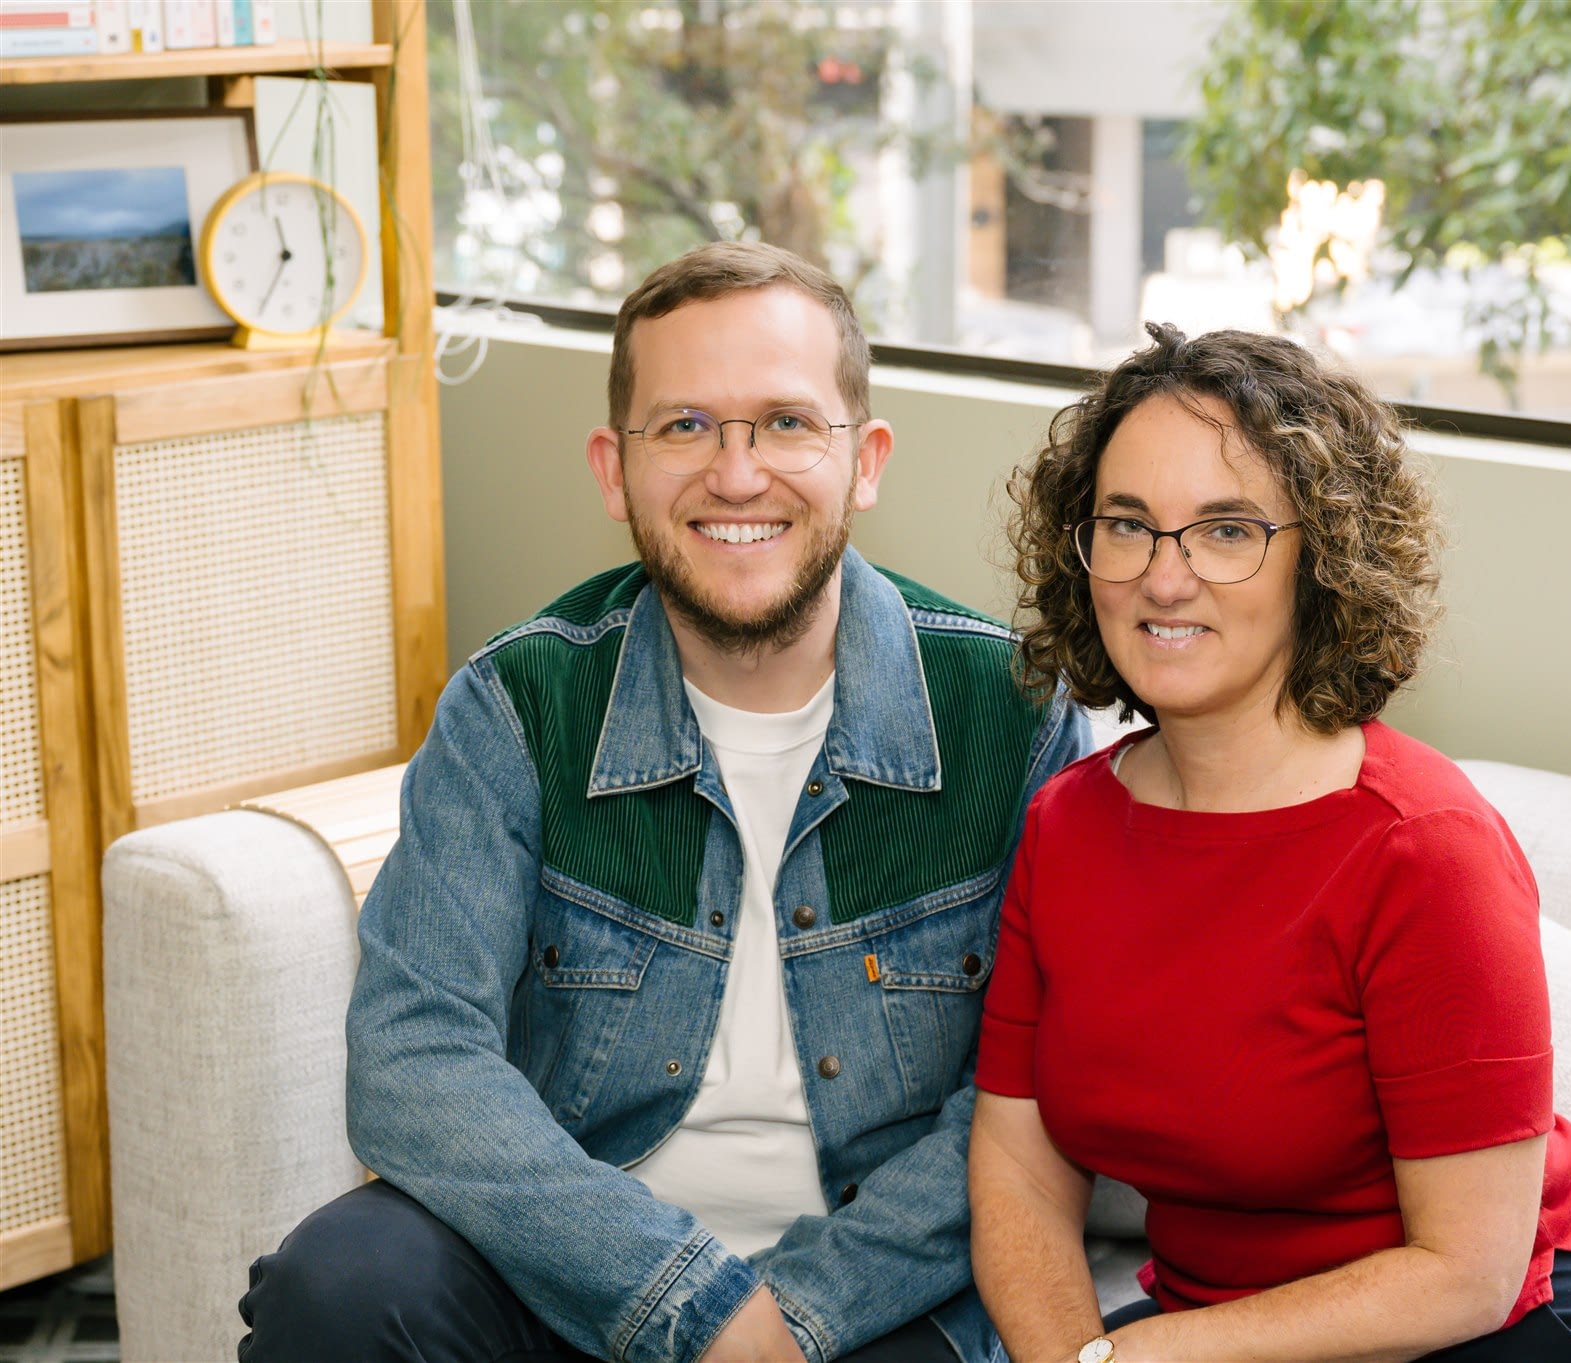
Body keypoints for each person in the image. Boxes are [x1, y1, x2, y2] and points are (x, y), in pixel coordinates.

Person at [237, 241, 1092, 1363]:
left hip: (872, 1294)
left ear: (865, 458)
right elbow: (414, 1059)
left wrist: (793, 1325)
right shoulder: (517, 704)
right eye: (684, 425)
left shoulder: (1008, 714)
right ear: (612, 467)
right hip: (574, 1270)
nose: (736, 475)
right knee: (338, 1286)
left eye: (787, 423)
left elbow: (1021, 1100)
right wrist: (691, 1307)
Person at [968, 322, 1571, 1363]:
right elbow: (1017, 1161)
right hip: (1216, 1338)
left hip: (1506, 1333)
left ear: (1322, 559)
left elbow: (1467, 1270)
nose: (1162, 578)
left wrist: (1134, 1359)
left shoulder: (1421, 846)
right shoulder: (1067, 823)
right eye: (1126, 524)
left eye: (1226, 530)